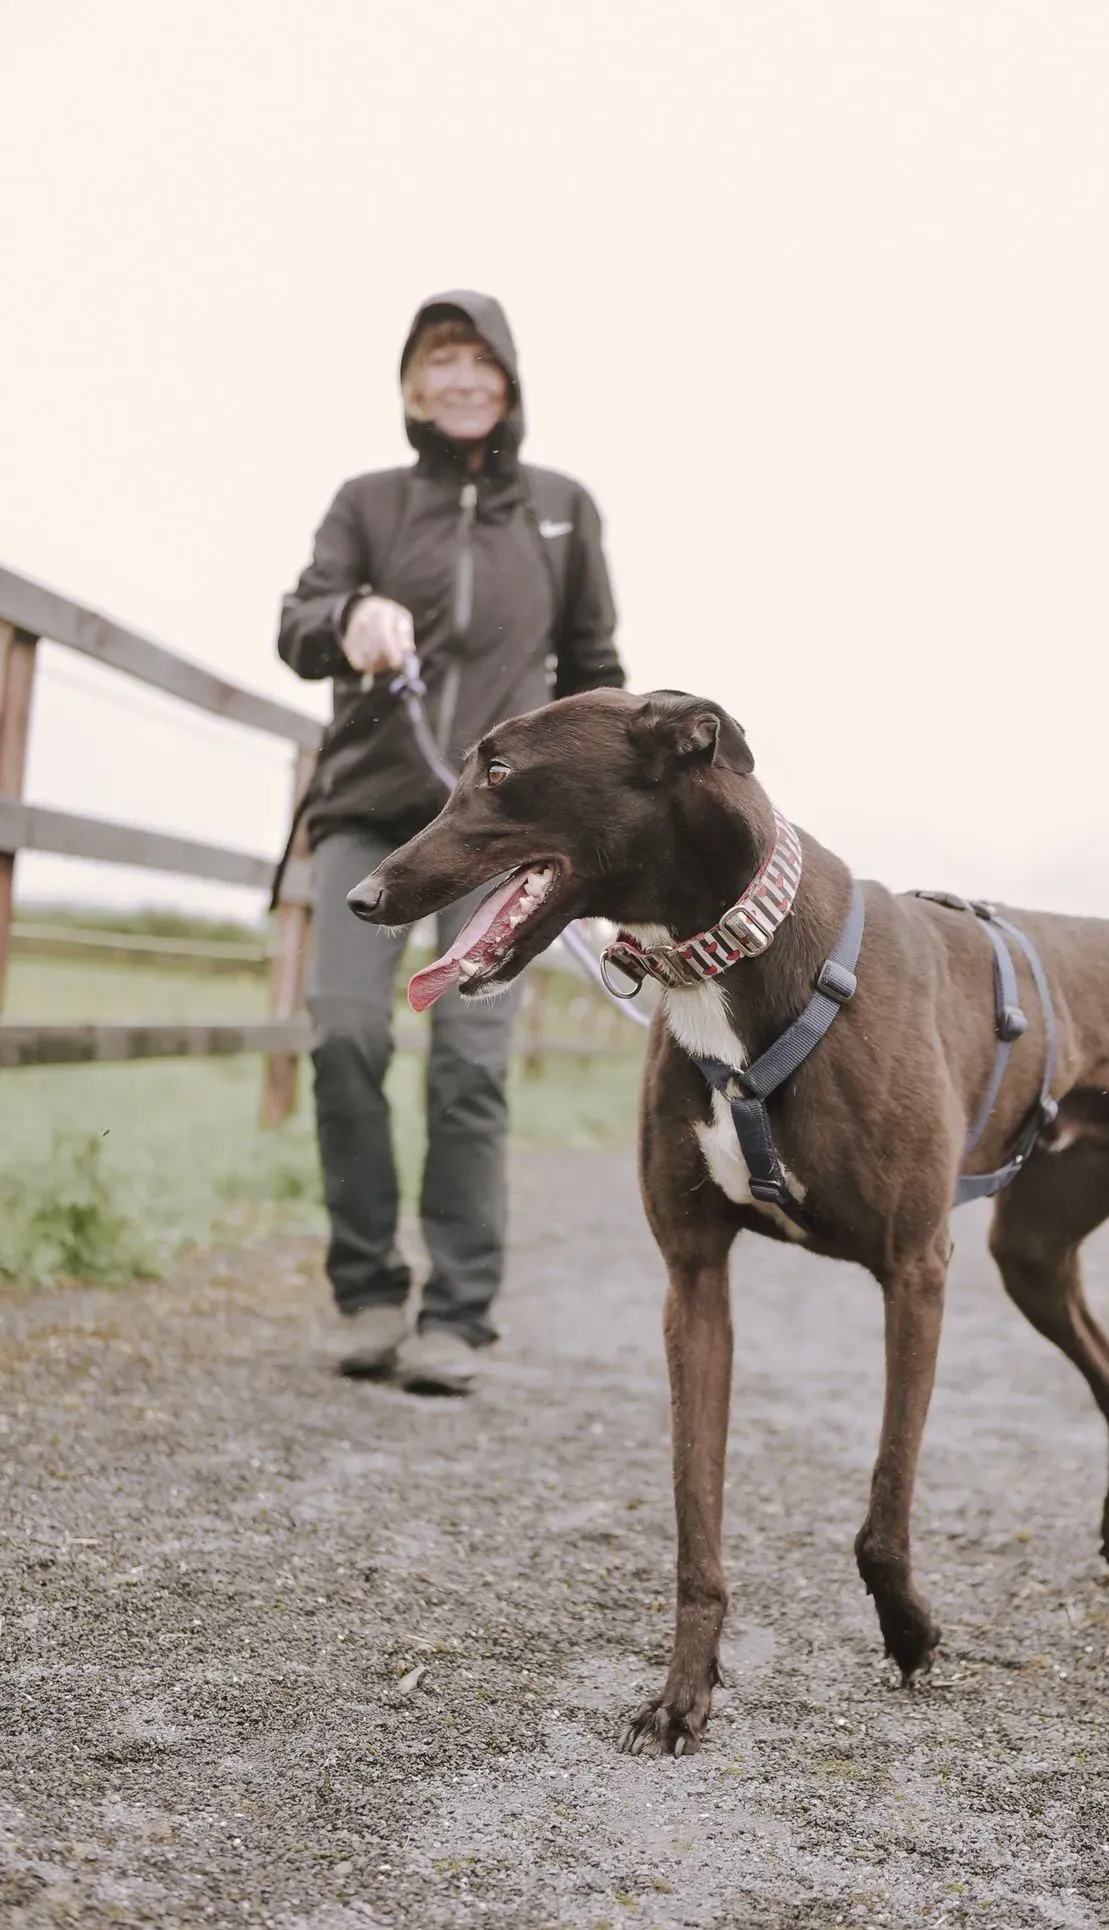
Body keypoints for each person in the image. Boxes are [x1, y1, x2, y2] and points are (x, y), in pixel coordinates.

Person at [278, 290, 625, 1393]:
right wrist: (349, 623)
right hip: (372, 811)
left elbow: (595, 673)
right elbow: (297, 622)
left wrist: (594, 822)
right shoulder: (368, 503)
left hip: (502, 837)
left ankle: (459, 1317)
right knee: (342, 1036)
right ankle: (369, 1291)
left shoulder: (562, 510)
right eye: (439, 362)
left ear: (509, 381)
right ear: (410, 384)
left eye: (479, 361)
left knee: (470, 1065)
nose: (461, 379)